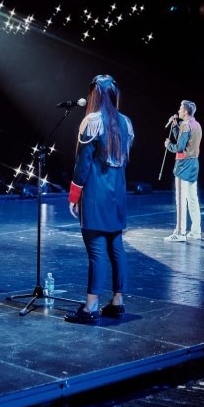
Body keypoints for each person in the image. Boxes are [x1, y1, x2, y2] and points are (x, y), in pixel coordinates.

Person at [66, 74, 135, 325]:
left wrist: (74, 195)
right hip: (117, 191)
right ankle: (117, 302)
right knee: (116, 247)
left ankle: (91, 306)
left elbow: (83, 163)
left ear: (95, 94)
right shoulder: (125, 122)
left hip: (96, 191)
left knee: (96, 250)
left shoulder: (92, 122)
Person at [163, 100, 203, 242]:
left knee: (181, 200)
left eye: (180, 108)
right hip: (194, 164)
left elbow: (179, 147)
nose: (178, 110)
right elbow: (184, 142)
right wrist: (175, 127)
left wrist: (168, 145)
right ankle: (196, 231)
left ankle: (180, 233)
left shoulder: (185, 125)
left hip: (184, 165)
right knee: (193, 199)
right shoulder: (196, 124)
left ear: (185, 111)